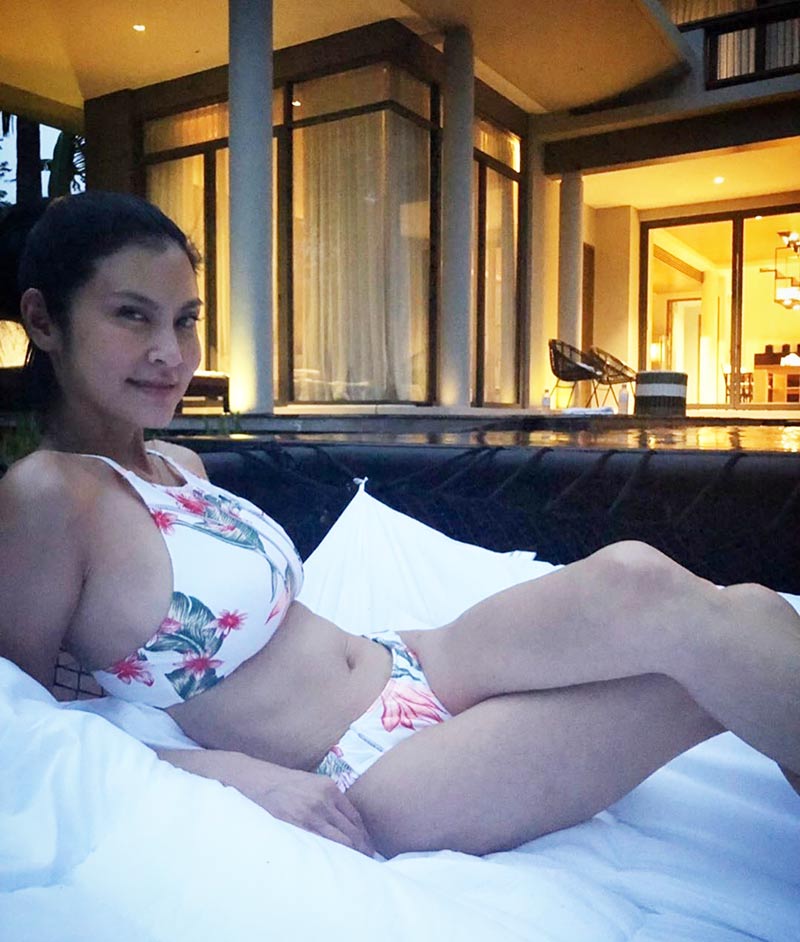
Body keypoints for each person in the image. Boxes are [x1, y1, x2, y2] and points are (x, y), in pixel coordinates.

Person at [0, 193, 798, 860]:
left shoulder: (181, 464)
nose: (170, 353)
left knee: (686, 590)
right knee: (697, 677)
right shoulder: (47, 495)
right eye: (132, 317)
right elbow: (22, 729)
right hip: (363, 773)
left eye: (185, 319)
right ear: (43, 319)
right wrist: (232, 775)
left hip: (415, 662)